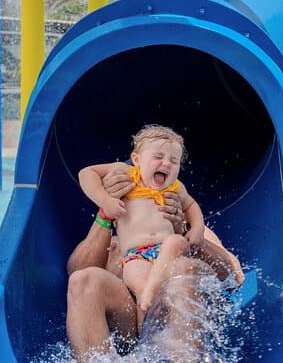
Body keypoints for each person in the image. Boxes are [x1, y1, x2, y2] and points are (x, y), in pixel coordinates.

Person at [66, 165, 243, 363]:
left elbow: (232, 275)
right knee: (83, 280)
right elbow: (76, 270)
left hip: (178, 320)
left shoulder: (187, 225)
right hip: (133, 322)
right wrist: (106, 212)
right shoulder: (117, 241)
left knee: (182, 268)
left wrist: (185, 234)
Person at [79, 125, 206, 313]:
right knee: (137, 281)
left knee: (176, 241)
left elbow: (191, 205)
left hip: (166, 249)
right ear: (136, 160)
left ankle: (156, 293)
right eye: (158, 157)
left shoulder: (175, 187)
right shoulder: (127, 174)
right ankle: (147, 300)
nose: (166, 163)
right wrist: (104, 200)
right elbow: (86, 173)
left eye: (174, 161)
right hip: (135, 254)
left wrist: (197, 227)